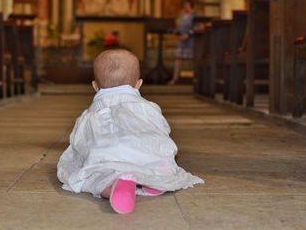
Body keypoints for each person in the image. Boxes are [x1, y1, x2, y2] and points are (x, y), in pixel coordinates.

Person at [57, 49, 203, 214]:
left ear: (95, 86)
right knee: (157, 157)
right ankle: (156, 179)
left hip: (108, 161)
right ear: (138, 84)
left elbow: (80, 142)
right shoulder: (148, 107)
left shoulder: (90, 114)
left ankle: (112, 188)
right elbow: (161, 130)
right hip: (147, 158)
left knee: (90, 177)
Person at [169, 0, 196, 84]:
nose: (186, 7)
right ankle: (175, 78)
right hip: (182, 41)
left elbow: (197, 27)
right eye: (184, 5)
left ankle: (196, 78)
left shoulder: (195, 15)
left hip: (191, 40)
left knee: (193, 59)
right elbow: (179, 27)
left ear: (191, 5)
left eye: (187, 5)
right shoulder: (181, 16)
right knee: (178, 59)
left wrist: (188, 34)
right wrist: (176, 32)